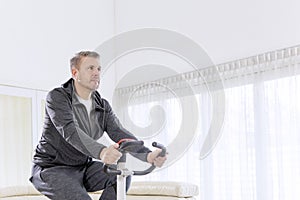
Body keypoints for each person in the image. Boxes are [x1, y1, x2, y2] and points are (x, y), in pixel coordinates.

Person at [30, 51, 167, 200]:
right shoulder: (58, 97)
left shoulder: (102, 106)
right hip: (52, 168)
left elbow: (119, 132)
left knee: (121, 175)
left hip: (83, 167)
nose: (96, 73)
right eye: (90, 68)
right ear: (75, 73)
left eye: (98, 69)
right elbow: (70, 130)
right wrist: (102, 152)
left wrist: (147, 155)